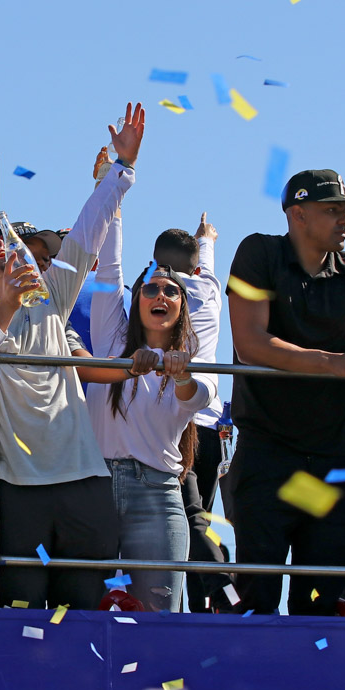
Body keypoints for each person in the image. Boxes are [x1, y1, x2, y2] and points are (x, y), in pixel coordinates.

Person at [0, 102, 144, 610]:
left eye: (10, 244)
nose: (7, 248)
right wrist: (4, 308)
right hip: (14, 489)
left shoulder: (52, 295)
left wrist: (122, 172)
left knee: (79, 611)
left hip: (83, 481)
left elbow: (85, 233)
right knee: (23, 620)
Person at [227, 169, 345, 616]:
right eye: (332, 209)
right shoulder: (257, 252)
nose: (344, 220)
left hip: (335, 465)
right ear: (297, 214)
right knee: (257, 599)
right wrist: (333, 364)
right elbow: (250, 344)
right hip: (268, 457)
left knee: (320, 600)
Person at [87, 205, 217, 611]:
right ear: (136, 298)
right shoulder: (110, 341)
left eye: (170, 290)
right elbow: (108, 272)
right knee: (86, 611)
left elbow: (201, 396)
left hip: (158, 494)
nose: (160, 294)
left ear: (182, 305)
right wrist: (113, 201)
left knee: (158, 621)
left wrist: (181, 376)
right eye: (150, 289)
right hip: (94, 488)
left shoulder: (192, 351)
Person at [151, 218, 231, 612]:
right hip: (213, 425)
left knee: (185, 516)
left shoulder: (160, 299)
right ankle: (205, 608)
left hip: (178, 421)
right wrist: (206, 238)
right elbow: (206, 265)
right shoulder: (210, 289)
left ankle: (223, 587)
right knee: (198, 515)